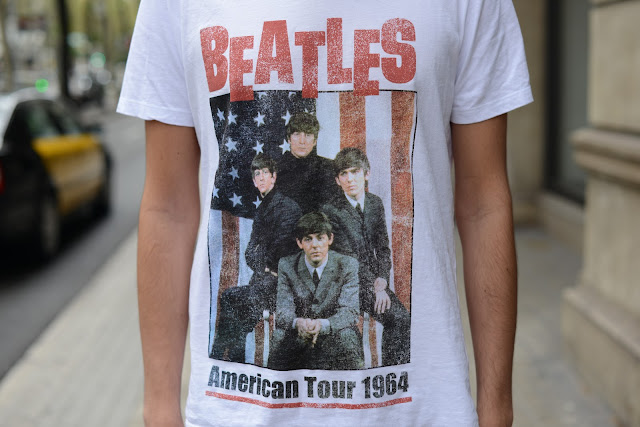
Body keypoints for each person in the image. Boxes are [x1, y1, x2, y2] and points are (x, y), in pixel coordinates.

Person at [119, 1, 532, 425]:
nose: (301, 141)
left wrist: (496, 408)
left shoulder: (337, 182)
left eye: (308, 135)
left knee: (396, 320)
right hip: (249, 376)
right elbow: (168, 209)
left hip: (405, 389)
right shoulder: (175, 9)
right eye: (295, 135)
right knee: (236, 305)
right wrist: (160, 407)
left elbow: (483, 204)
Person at [321, 147, 410, 366]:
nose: (350, 179)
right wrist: (375, 287)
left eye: (355, 171)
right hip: (344, 285)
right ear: (337, 180)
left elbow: (383, 248)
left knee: (401, 319)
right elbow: (348, 258)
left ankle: (391, 372)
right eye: (344, 174)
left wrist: (382, 279)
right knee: (346, 335)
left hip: (373, 283)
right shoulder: (331, 210)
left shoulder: (375, 203)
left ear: (366, 173)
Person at [211, 153, 301, 362]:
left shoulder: (287, 207)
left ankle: (222, 356)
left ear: (274, 177)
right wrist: (265, 266)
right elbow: (250, 253)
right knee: (235, 306)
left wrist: (266, 262)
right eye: (257, 174)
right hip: (264, 280)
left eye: (265, 173)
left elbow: (281, 250)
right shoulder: (262, 209)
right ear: (253, 181)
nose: (261, 178)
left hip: (282, 286)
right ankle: (232, 358)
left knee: (232, 299)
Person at [268, 212, 363, 370]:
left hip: (333, 334)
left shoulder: (348, 265)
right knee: (279, 335)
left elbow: (350, 311)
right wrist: (298, 323)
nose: (315, 245)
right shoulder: (286, 265)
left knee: (348, 336)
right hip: (300, 334)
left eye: (320, 238)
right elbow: (283, 310)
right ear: (299, 243)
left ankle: (354, 384)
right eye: (308, 239)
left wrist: (322, 325)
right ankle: (275, 383)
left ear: (330, 239)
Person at [275, 112, 339, 214]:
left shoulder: (329, 167)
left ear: (315, 141)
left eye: (308, 135)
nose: (302, 141)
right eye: (297, 134)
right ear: (289, 139)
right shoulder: (275, 169)